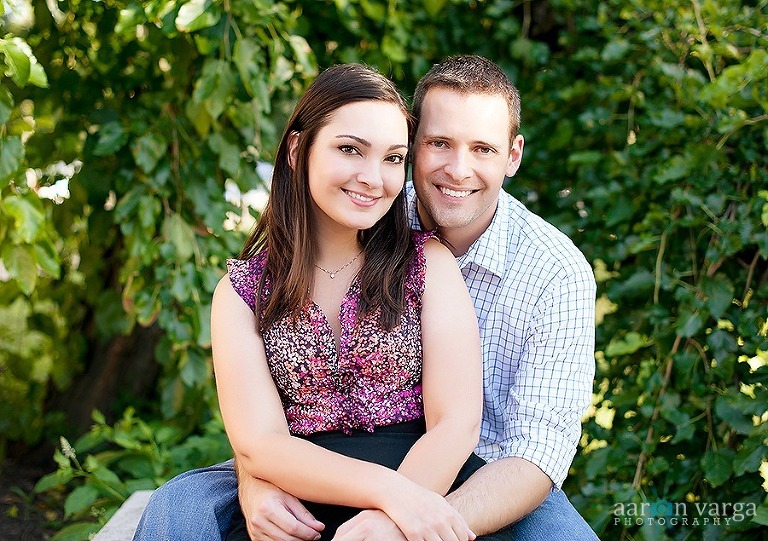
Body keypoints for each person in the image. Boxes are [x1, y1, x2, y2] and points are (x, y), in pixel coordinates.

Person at [134, 55, 598, 541]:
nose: (373, 177)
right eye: (438, 144)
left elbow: (513, 442)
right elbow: (259, 438)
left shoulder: (533, 269)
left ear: (513, 155)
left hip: (474, 476)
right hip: (306, 471)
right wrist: (256, 477)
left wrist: (397, 517)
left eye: (482, 148)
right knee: (180, 511)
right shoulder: (254, 282)